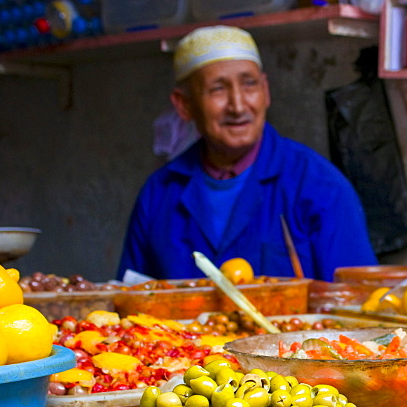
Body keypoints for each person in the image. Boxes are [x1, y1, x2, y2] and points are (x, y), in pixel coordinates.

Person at [117, 26, 378, 282]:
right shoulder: (158, 194)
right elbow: (131, 304)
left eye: (249, 84)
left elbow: (357, 303)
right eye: (217, 89)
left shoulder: (320, 186)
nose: (238, 105)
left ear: (265, 91)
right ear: (184, 105)